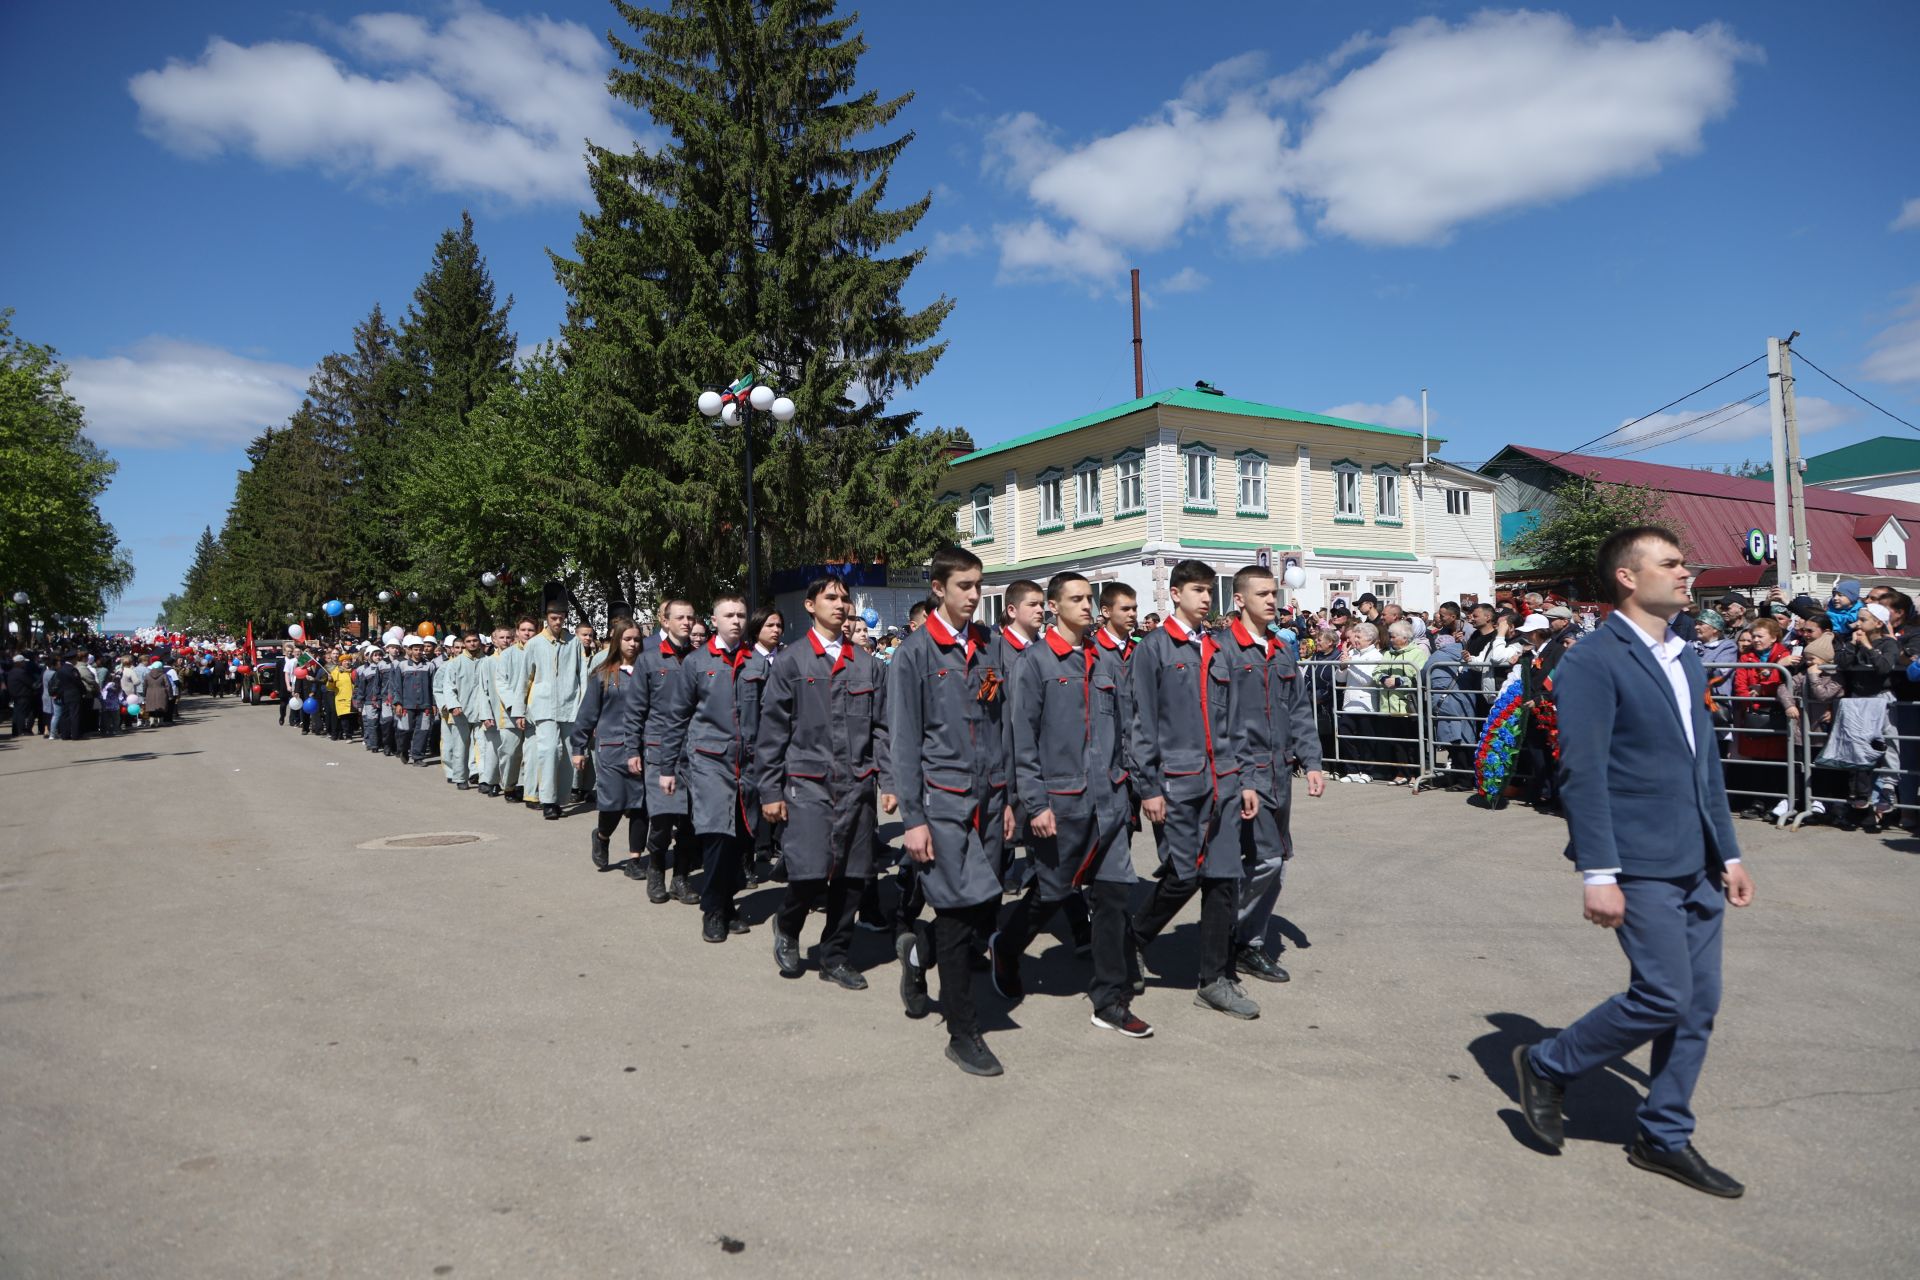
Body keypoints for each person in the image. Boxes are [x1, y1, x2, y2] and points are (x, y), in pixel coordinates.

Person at [1513, 525, 1755, 1198]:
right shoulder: (1593, 659)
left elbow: (1703, 761)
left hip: (1698, 857)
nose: (1687, 574)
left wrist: (1729, 850)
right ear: (1628, 576)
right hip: (1637, 858)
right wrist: (1598, 871)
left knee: (1698, 1003)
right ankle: (1549, 1062)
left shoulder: (1686, 654)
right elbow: (1581, 771)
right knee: (1664, 994)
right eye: (1672, 564)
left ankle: (1663, 1134)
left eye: (1685, 562)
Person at [992, 571, 1147, 1036]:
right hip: (1060, 803)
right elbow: (1021, 740)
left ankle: (1109, 998)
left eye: (1089, 598)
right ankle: (1007, 945)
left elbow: (1126, 727)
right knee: (1051, 894)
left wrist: (1131, 785)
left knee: (1115, 896)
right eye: (1075, 599)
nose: (1086, 606)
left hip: (1110, 802)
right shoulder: (1034, 663)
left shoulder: (1106, 660)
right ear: (1054, 608)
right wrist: (1033, 803)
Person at [887, 545, 1016, 1076]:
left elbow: (997, 724)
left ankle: (919, 952)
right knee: (961, 917)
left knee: (984, 910)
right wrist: (912, 819)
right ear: (938, 588)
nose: (974, 595)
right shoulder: (915, 654)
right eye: (964, 586)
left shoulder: (989, 648)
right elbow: (903, 741)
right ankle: (963, 1032)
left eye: (979, 585)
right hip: (941, 804)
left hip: (987, 800)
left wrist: (1006, 797)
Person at [1129, 559, 1259, 1020]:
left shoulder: (1216, 649)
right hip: (1177, 783)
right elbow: (1140, 722)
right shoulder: (1154, 649)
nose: (1207, 598)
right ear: (1176, 593)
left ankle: (1214, 980)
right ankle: (1134, 940)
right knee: (1183, 875)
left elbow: (1233, 721)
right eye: (1199, 590)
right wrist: (1148, 786)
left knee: (1223, 879)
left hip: (1222, 781)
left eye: (1211, 591)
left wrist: (1243, 779)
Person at [757, 578, 892, 989]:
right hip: (808, 783)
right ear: (811, 605)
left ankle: (835, 955)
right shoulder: (793, 662)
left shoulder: (867, 664)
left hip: (857, 784)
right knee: (809, 872)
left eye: (844, 598)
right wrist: (770, 790)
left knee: (853, 877)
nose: (840, 604)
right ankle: (789, 923)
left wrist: (888, 780)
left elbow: (883, 727)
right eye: (831, 598)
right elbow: (772, 731)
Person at [1221, 566, 1325, 986]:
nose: (1271, 600)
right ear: (1239, 599)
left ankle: (1248, 943)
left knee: (1277, 860)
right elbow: (1217, 718)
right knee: (1263, 859)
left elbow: (1299, 711)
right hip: (1244, 771)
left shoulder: (1281, 650)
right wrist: (1239, 774)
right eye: (1262, 593)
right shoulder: (1222, 650)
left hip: (1280, 770)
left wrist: (1313, 761)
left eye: (1274, 593)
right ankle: (1223, 934)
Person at [658, 594, 762, 942]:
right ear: (714, 621)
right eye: (729, 615)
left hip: (748, 765)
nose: (736, 620)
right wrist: (667, 767)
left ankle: (727, 903)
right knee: (718, 834)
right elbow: (676, 718)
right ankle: (713, 911)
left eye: (741, 615)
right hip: (708, 761)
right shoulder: (697, 663)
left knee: (742, 839)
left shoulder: (757, 663)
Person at [626, 600, 699, 903]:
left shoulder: (701, 659)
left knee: (690, 822)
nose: (686, 622)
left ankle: (680, 878)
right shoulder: (649, 660)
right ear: (665, 622)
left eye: (691, 617)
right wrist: (633, 748)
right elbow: (635, 709)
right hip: (658, 749)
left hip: (695, 751)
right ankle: (656, 869)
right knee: (662, 818)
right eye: (680, 617)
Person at [572, 618, 649, 873]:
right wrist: (578, 748)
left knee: (640, 804)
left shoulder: (648, 672)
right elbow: (587, 714)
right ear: (617, 641)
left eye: (637, 639)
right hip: (612, 748)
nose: (633, 644)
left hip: (643, 749)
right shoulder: (603, 675)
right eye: (627, 639)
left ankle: (635, 859)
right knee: (614, 802)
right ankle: (602, 837)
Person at [1822, 601, 1899, 831]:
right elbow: (1842, 664)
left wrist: (1867, 645)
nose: (1858, 623)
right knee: (1858, 748)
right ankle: (1860, 797)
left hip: (1880, 699)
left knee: (1888, 745)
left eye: (1863, 620)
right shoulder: (1852, 641)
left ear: (1878, 623)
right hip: (1858, 700)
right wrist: (1852, 646)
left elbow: (1884, 667)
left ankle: (1888, 789)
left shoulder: (1888, 643)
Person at [523, 602, 585, 820]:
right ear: (546, 619)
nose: (558, 622)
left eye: (561, 618)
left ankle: (560, 799)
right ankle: (547, 800)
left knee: (568, 754)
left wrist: (584, 705)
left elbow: (582, 675)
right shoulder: (535, 644)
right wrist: (519, 709)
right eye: (553, 618)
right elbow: (525, 677)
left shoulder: (574, 642)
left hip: (570, 705)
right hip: (543, 706)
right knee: (548, 751)